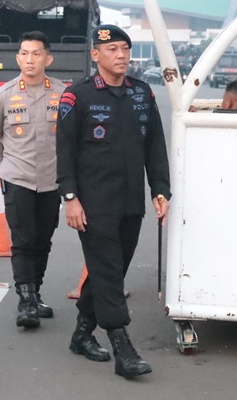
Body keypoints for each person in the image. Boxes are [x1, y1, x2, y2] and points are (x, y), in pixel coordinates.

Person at [56, 25, 170, 379]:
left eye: (125, 49)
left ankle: (81, 335)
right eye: (112, 50)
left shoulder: (142, 94)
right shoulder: (78, 96)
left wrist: (160, 190)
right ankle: (123, 348)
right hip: (94, 203)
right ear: (96, 55)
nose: (120, 55)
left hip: (131, 201)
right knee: (107, 270)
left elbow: (155, 146)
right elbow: (65, 152)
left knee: (112, 270)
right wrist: (70, 198)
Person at [0, 31, 66, 328]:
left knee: (43, 240)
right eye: (24, 53)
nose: (29, 59)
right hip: (17, 178)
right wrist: (8, 163)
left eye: (36, 54)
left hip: (51, 180)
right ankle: (26, 299)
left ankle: (36, 292)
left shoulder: (62, 93)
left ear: (48, 58)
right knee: (23, 240)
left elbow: (70, 138)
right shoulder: (4, 95)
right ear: (18, 58)